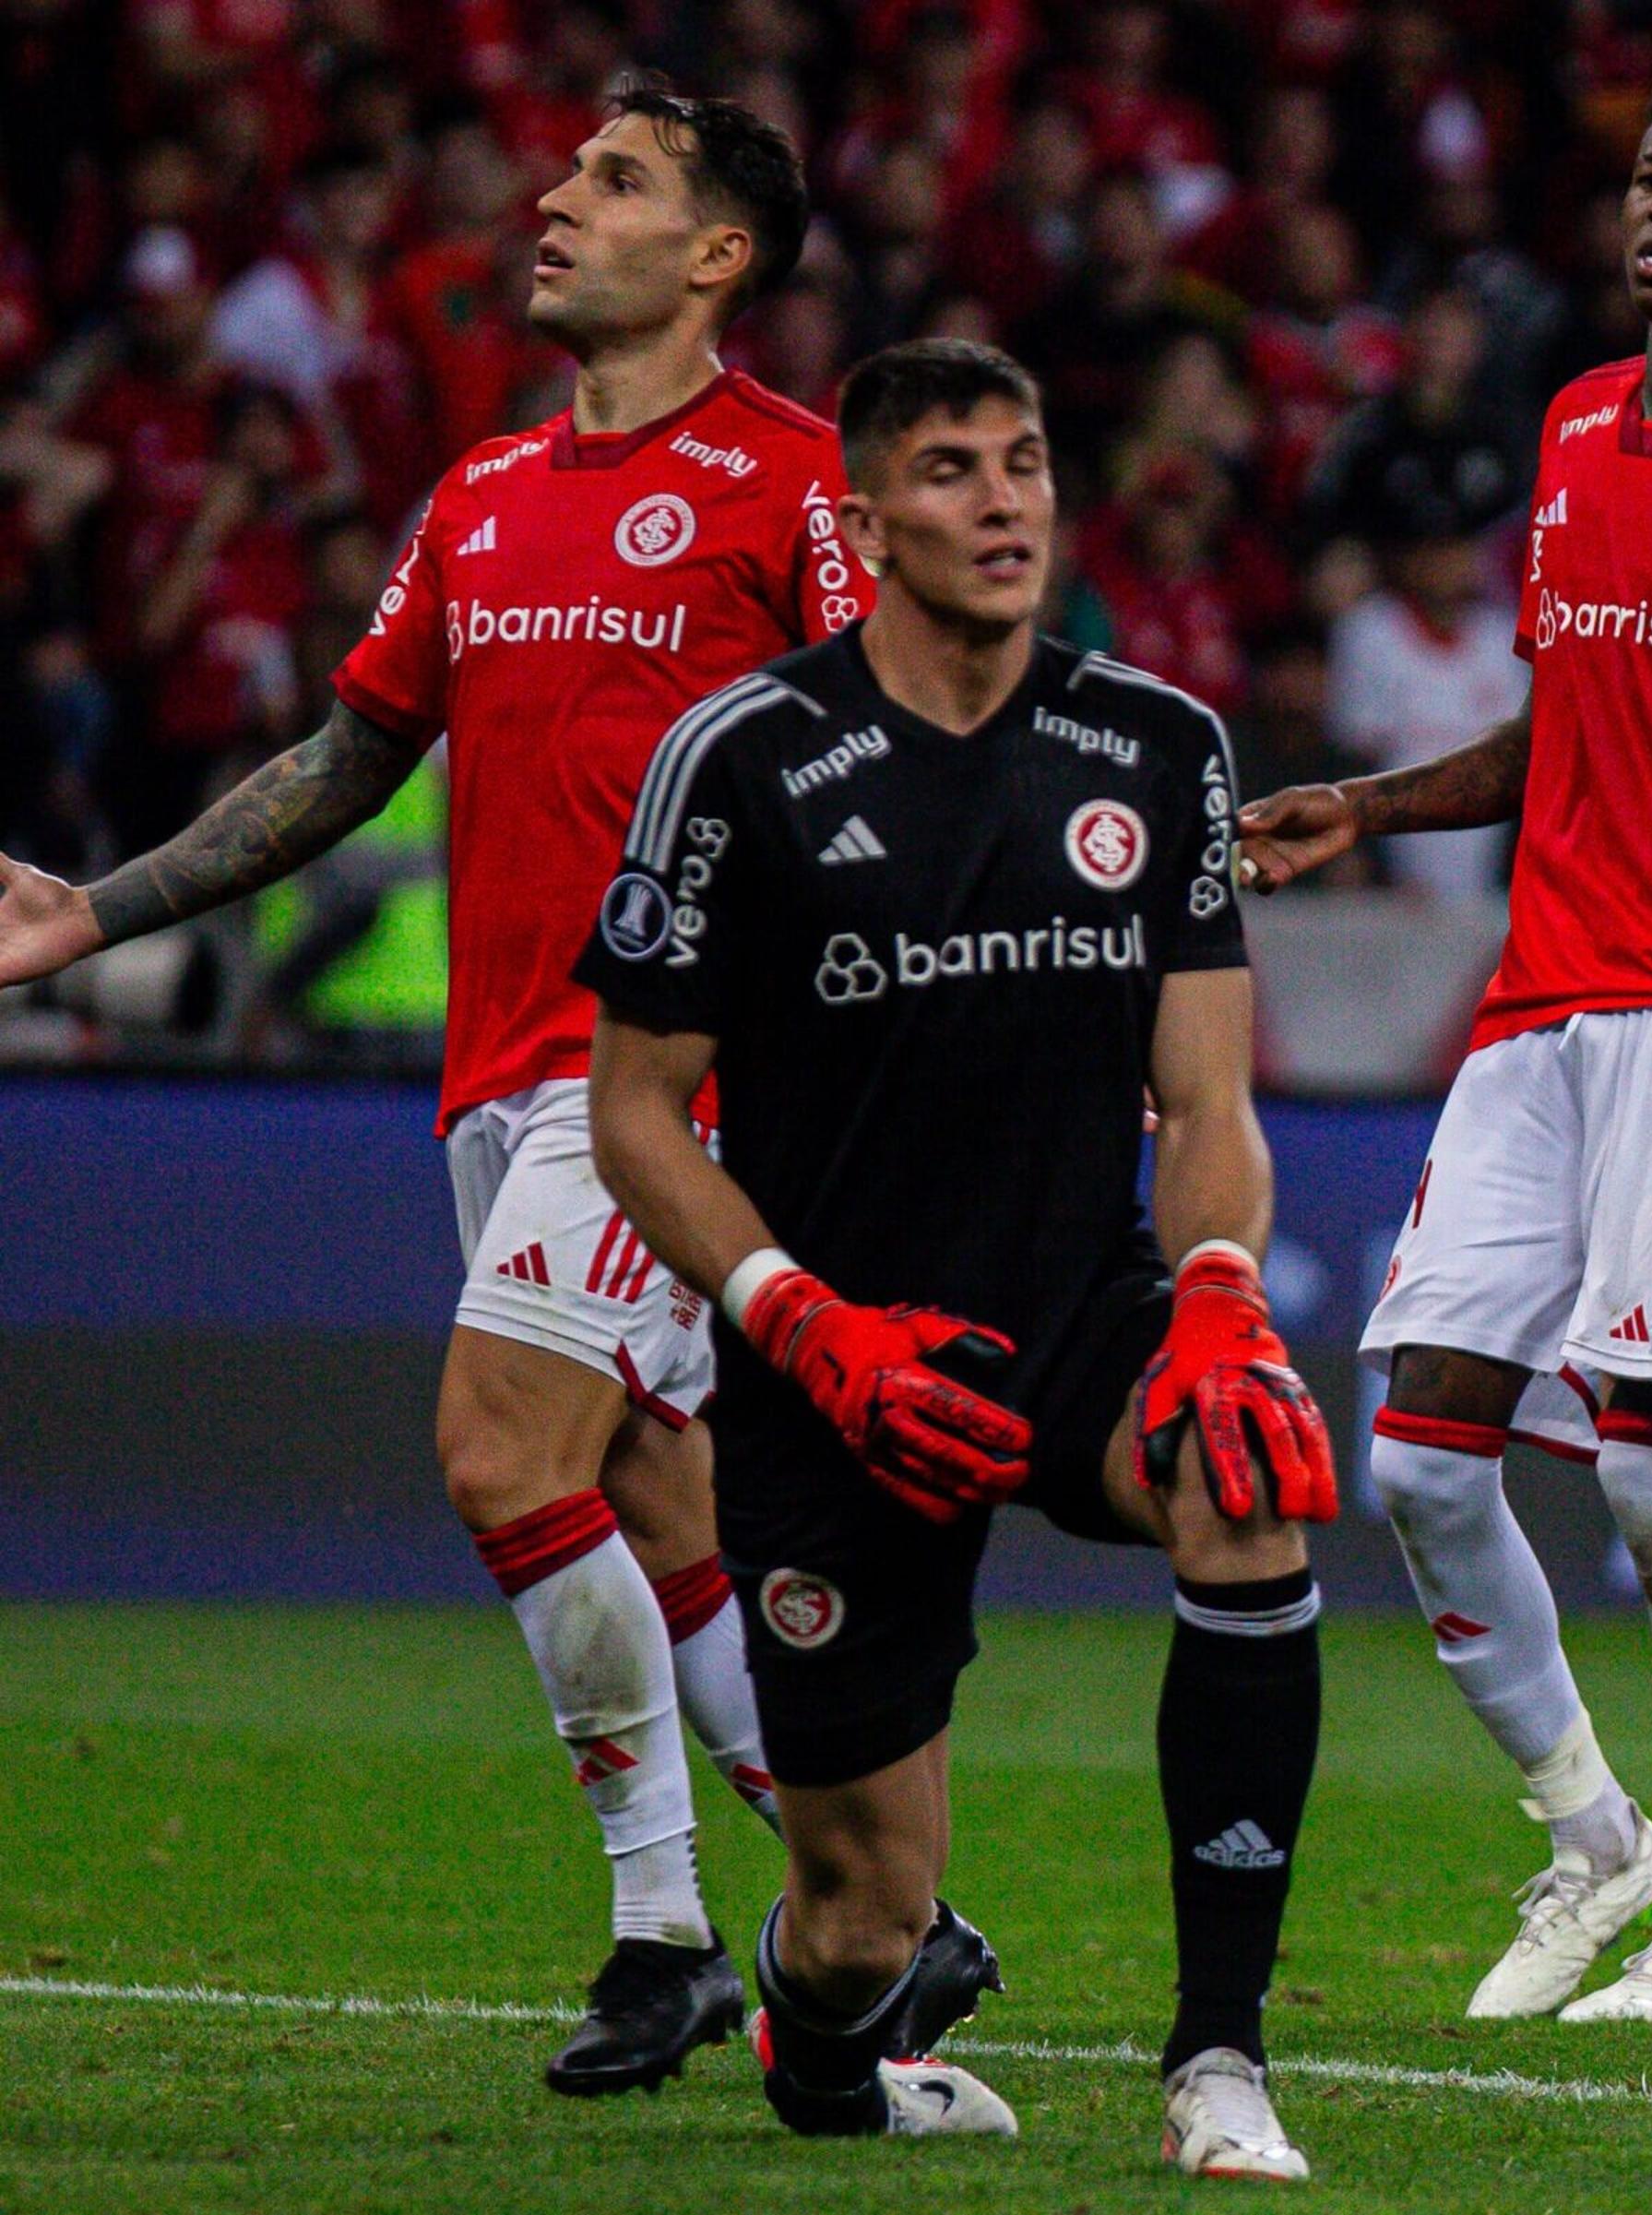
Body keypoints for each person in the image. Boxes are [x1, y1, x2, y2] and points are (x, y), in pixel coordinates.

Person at [0, 81, 908, 2095]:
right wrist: (97, 911)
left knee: (502, 1453)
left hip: (675, 1077)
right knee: (648, 1492)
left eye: (615, 181)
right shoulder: (480, 492)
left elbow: (898, 765)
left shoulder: (795, 489)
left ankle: (668, 1935)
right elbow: (344, 759)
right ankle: (891, 1912)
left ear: (719, 257)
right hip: (497, 1076)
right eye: (570, 168)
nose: (552, 199)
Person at [575, 338, 1334, 2175]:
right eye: (951, 472)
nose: (1002, 503)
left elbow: (1209, 1096)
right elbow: (635, 1112)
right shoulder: (741, 759)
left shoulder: (1158, 749)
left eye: (1025, 462)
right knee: (866, 1920)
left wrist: (1222, 1292)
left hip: (1077, 1304)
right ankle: (822, 2045)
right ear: (864, 521)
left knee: (1247, 1479)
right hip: (831, 1366)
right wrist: (800, 1324)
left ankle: (1220, 2060)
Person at [1236, 61, 1652, 2024]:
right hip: (1541, 1006)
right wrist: (1367, 803)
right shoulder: (1574, 424)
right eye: (1646, 175)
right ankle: (1594, 1839)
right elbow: (1576, 725)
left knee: (1651, 1480)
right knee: (1419, 1459)